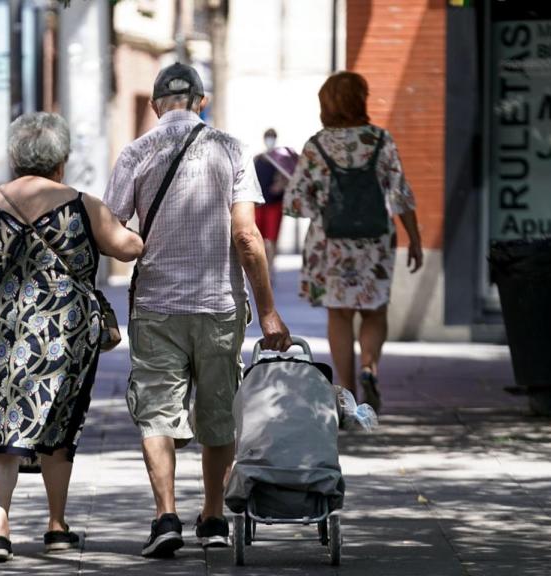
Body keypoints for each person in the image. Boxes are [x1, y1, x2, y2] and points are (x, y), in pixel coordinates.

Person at [0, 112, 143, 563]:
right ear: (62, 160)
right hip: (61, 334)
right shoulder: (81, 203)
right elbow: (127, 247)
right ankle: (57, 526)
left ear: (15, 158)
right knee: (59, 423)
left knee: (0, 426)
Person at [104, 63, 292, 559]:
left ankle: (165, 515)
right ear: (201, 101)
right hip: (218, 305)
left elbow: (113, 232)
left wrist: (137, 248)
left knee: (156, 414)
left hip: (156, 306)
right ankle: (212, 518)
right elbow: (247, 236)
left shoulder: (135, 152)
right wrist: (269, 311)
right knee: (218, 413)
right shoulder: (231, 149)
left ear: (154, 105)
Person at [284, 71, 423, 414]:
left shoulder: (317, 146)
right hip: (375, 241)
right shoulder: (380, 140)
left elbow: (294, 202)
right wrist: (416, 240)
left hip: (331, 244)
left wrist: (322, 208)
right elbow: (401, 194)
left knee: (340, 315)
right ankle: (370, 369)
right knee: (374, 311)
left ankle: (346, 392)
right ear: (360, 100)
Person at [253, 128, 298, 275]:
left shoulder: (281, 159)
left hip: (274, 204)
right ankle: (261, 267)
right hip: (259, 205)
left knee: (271, 239)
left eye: (272, 137)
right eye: (268, 137)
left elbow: (290, 176)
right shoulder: (258, 158)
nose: (270, 139)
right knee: (257, 239)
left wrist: (280, 185)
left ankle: (269, 269)